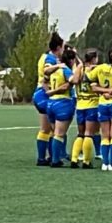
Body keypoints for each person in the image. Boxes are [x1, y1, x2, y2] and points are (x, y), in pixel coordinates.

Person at [31, 32, 64, 166]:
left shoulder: (44, 56)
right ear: (58, 47)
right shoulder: (51, 59)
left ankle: (43, 158)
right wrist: (59, 66)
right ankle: (54, 157)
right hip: (45, 94)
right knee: (56, 129)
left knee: (45, 129)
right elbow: (47, 71)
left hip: (39, 94)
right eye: (63, 47)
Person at [46, 47, 80, 168]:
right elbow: (74, 80)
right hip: (63, 102)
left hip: (51, 103)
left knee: (55, 132)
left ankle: (54, 157)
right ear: (71, 60)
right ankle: (55, 159)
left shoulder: (55, 69)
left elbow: (45, 77)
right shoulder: (65, 70)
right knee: (59, 134)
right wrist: (79, 69)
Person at [70, 49, 101, 169]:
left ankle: (74, 158)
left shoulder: (79, 68)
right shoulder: (95, 69)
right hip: (92, 104)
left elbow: (75, 80)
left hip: (80, 105)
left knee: (80, 134)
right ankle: (86, 161)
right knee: (89, 134)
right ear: (93, 59)